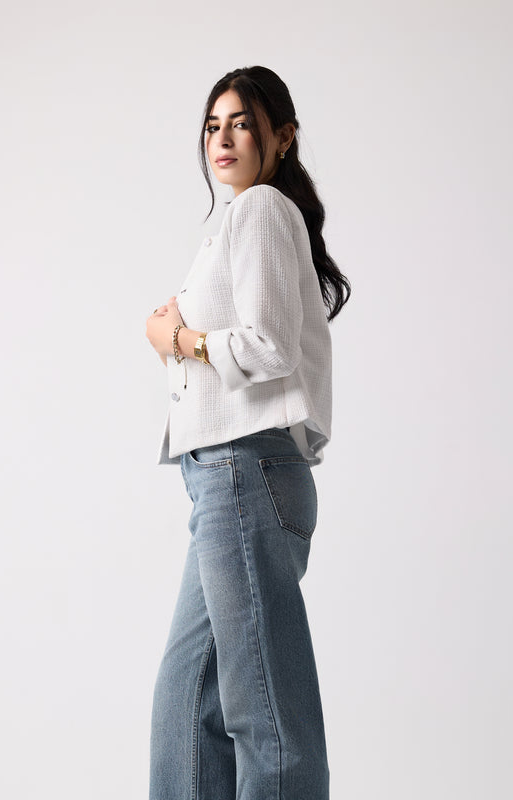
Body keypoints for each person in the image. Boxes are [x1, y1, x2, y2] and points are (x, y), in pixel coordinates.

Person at [145, 65, 350, 800]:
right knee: (187, 700)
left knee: (265, 715)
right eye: (213, 124)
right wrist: (181, 341)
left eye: (241, 123)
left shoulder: (260, 208)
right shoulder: (242, 219)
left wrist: (179, 339)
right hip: (226, 480)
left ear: (282, 137)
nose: (222, 138)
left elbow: (268, 347)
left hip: (244, 474)